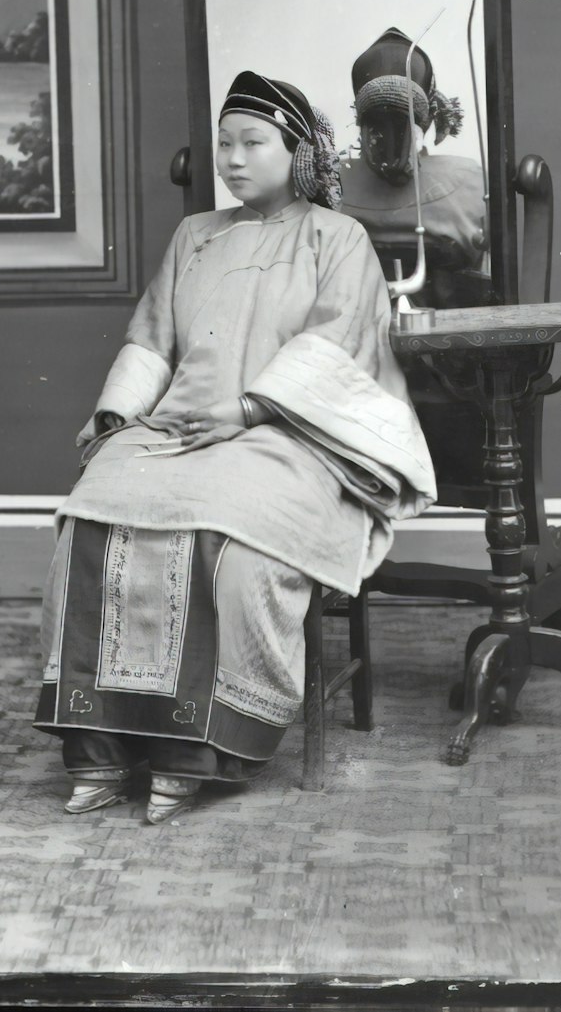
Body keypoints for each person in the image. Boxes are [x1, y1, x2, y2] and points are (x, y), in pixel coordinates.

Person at [34, 71, 437, 824]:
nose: (234, 157)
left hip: (289, 436)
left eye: (253, 142)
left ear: (298, 150)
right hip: (179, 429)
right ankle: (101, 746)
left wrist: (246, 408)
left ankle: (198, 751)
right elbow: (154, 335)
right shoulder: (196, 235)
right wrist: (117, 411)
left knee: (227, 540)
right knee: (88, 513)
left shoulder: (336, 237)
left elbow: (338, 345)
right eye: (225, 143)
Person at [338, 27, 489, 287]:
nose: (390, 138)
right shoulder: (470, 179)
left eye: (398, 123)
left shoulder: (328, 182)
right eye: (380, 122)